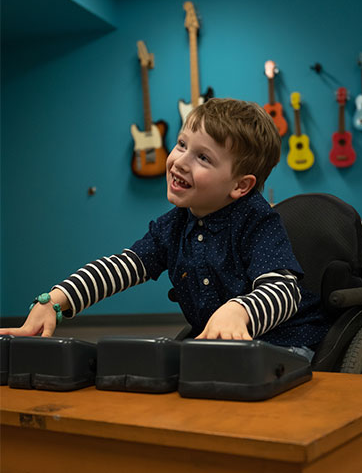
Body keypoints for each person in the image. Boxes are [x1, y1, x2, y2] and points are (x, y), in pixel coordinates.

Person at [0, 98, 330, 357]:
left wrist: (239, 311)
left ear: (240, 186)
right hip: (222, 348)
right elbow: (123, 266)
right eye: (182, 145)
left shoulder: (257, 220)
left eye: (204, 158)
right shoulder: (173, 226)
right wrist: (56, 300)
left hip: (286, 344)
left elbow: (284, 291)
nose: (180, 161)